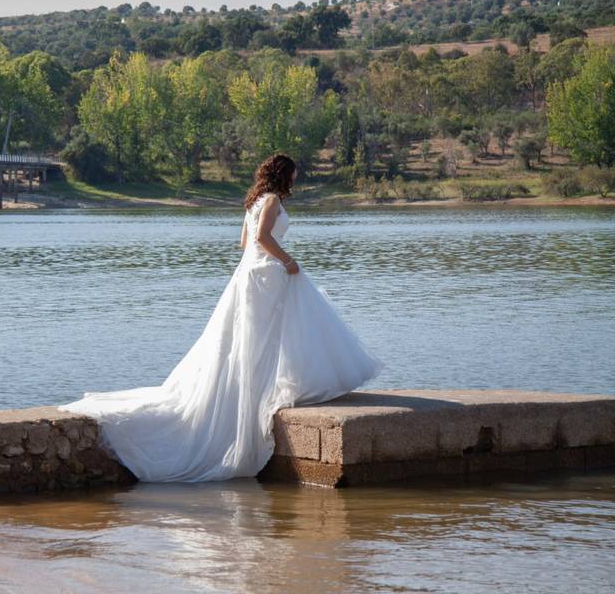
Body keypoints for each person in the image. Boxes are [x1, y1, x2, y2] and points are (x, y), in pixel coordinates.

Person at [59, 153, 384, 482]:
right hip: (268, 274)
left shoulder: (253, 200)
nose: (296, 179)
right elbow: (261, 239)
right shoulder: (270, 200)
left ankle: (257, 387)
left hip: (249, 274)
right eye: (294, 174)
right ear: (284, 175)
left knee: (252, 338)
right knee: (272, 335)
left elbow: (243, 243)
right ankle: (269, 388)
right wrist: (288, 261)